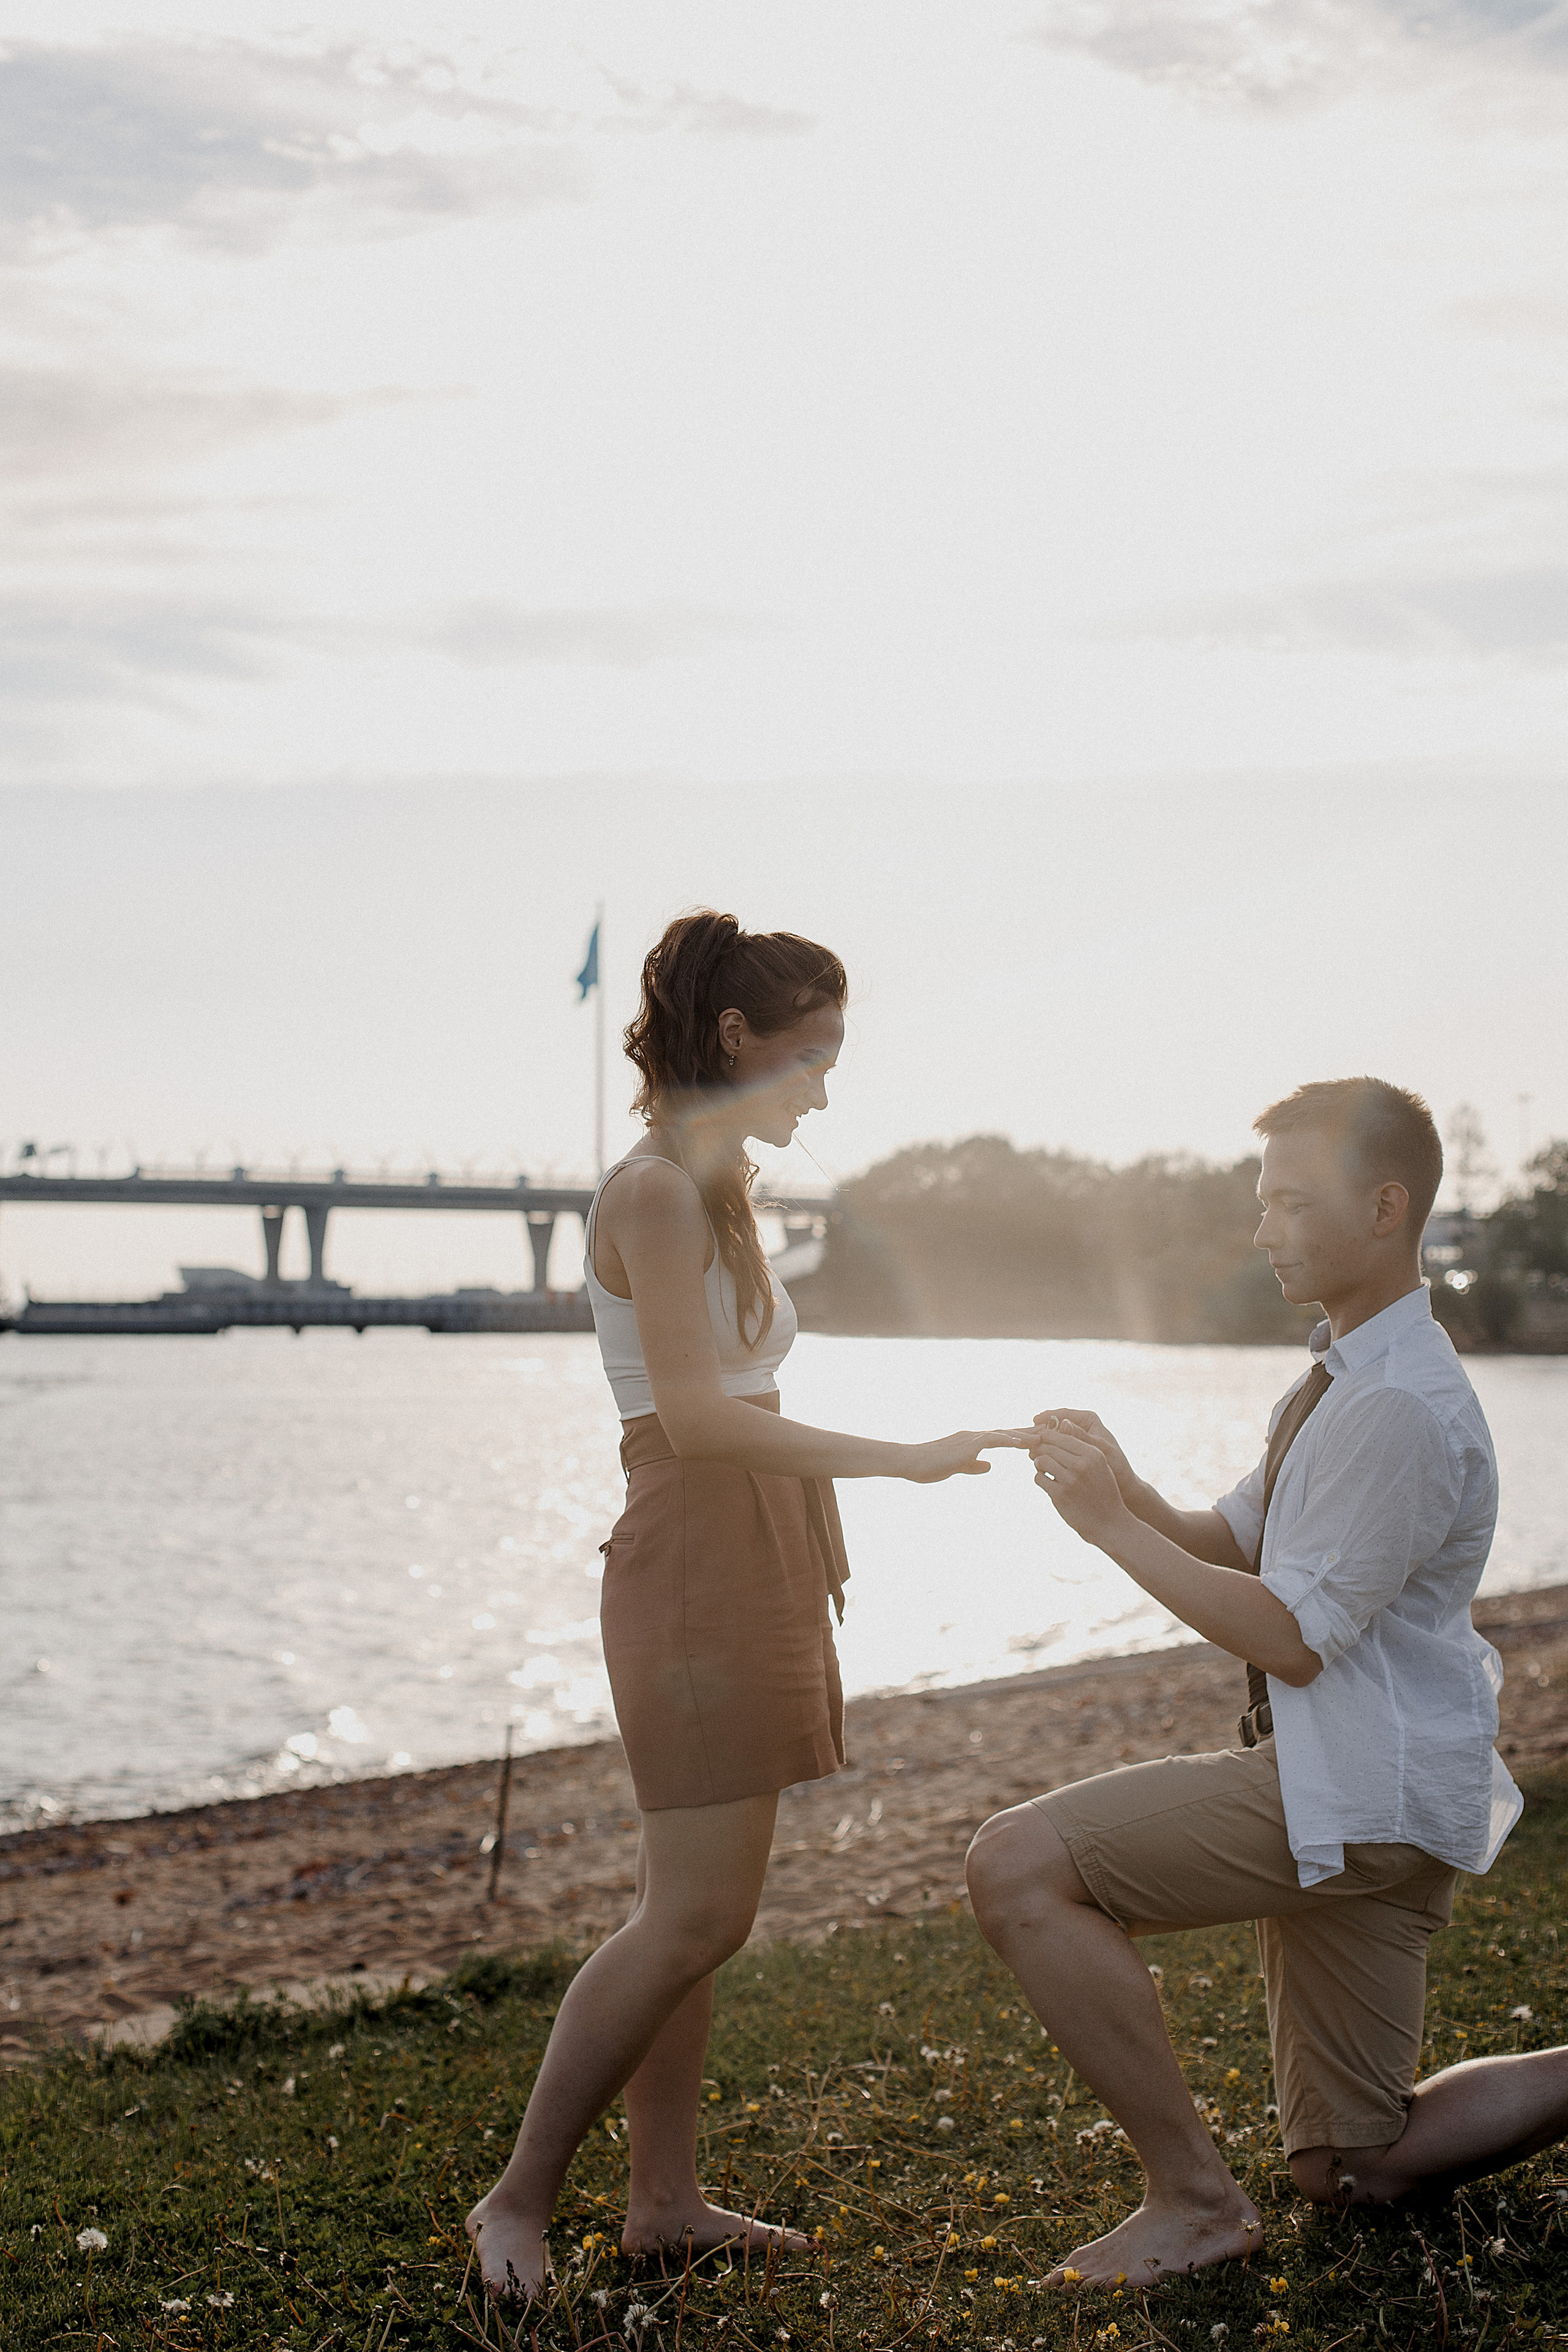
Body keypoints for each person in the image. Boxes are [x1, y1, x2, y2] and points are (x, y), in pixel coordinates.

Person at [467, 909, 1028, 2300]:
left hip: (750, 1542)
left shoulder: (714, 1188)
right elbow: (702, 1425)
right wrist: (899, 1460)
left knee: (690, 1905)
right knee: (692, 1917)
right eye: (812, 1055)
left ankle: (664, 2203)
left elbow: (737, 1404)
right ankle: (514, 2203)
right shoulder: (654, 1191)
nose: (825, 1089)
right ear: (735, 1038)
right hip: (696, 1547)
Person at [965, 1077, 1568, 2290]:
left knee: (1016, 1862)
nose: (1262, 1229)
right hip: (1369, 1790)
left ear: (1385, 1208)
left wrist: (1102, 1533)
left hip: (1359, 1786)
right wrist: (1124, 1488)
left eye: (1291, 1202)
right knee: (1355, 2164)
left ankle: (1191, 2203)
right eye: (1262, 1203)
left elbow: (1292, 1638)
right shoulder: (1340, 1376)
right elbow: (1231, 1541)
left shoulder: (1394, 1402)